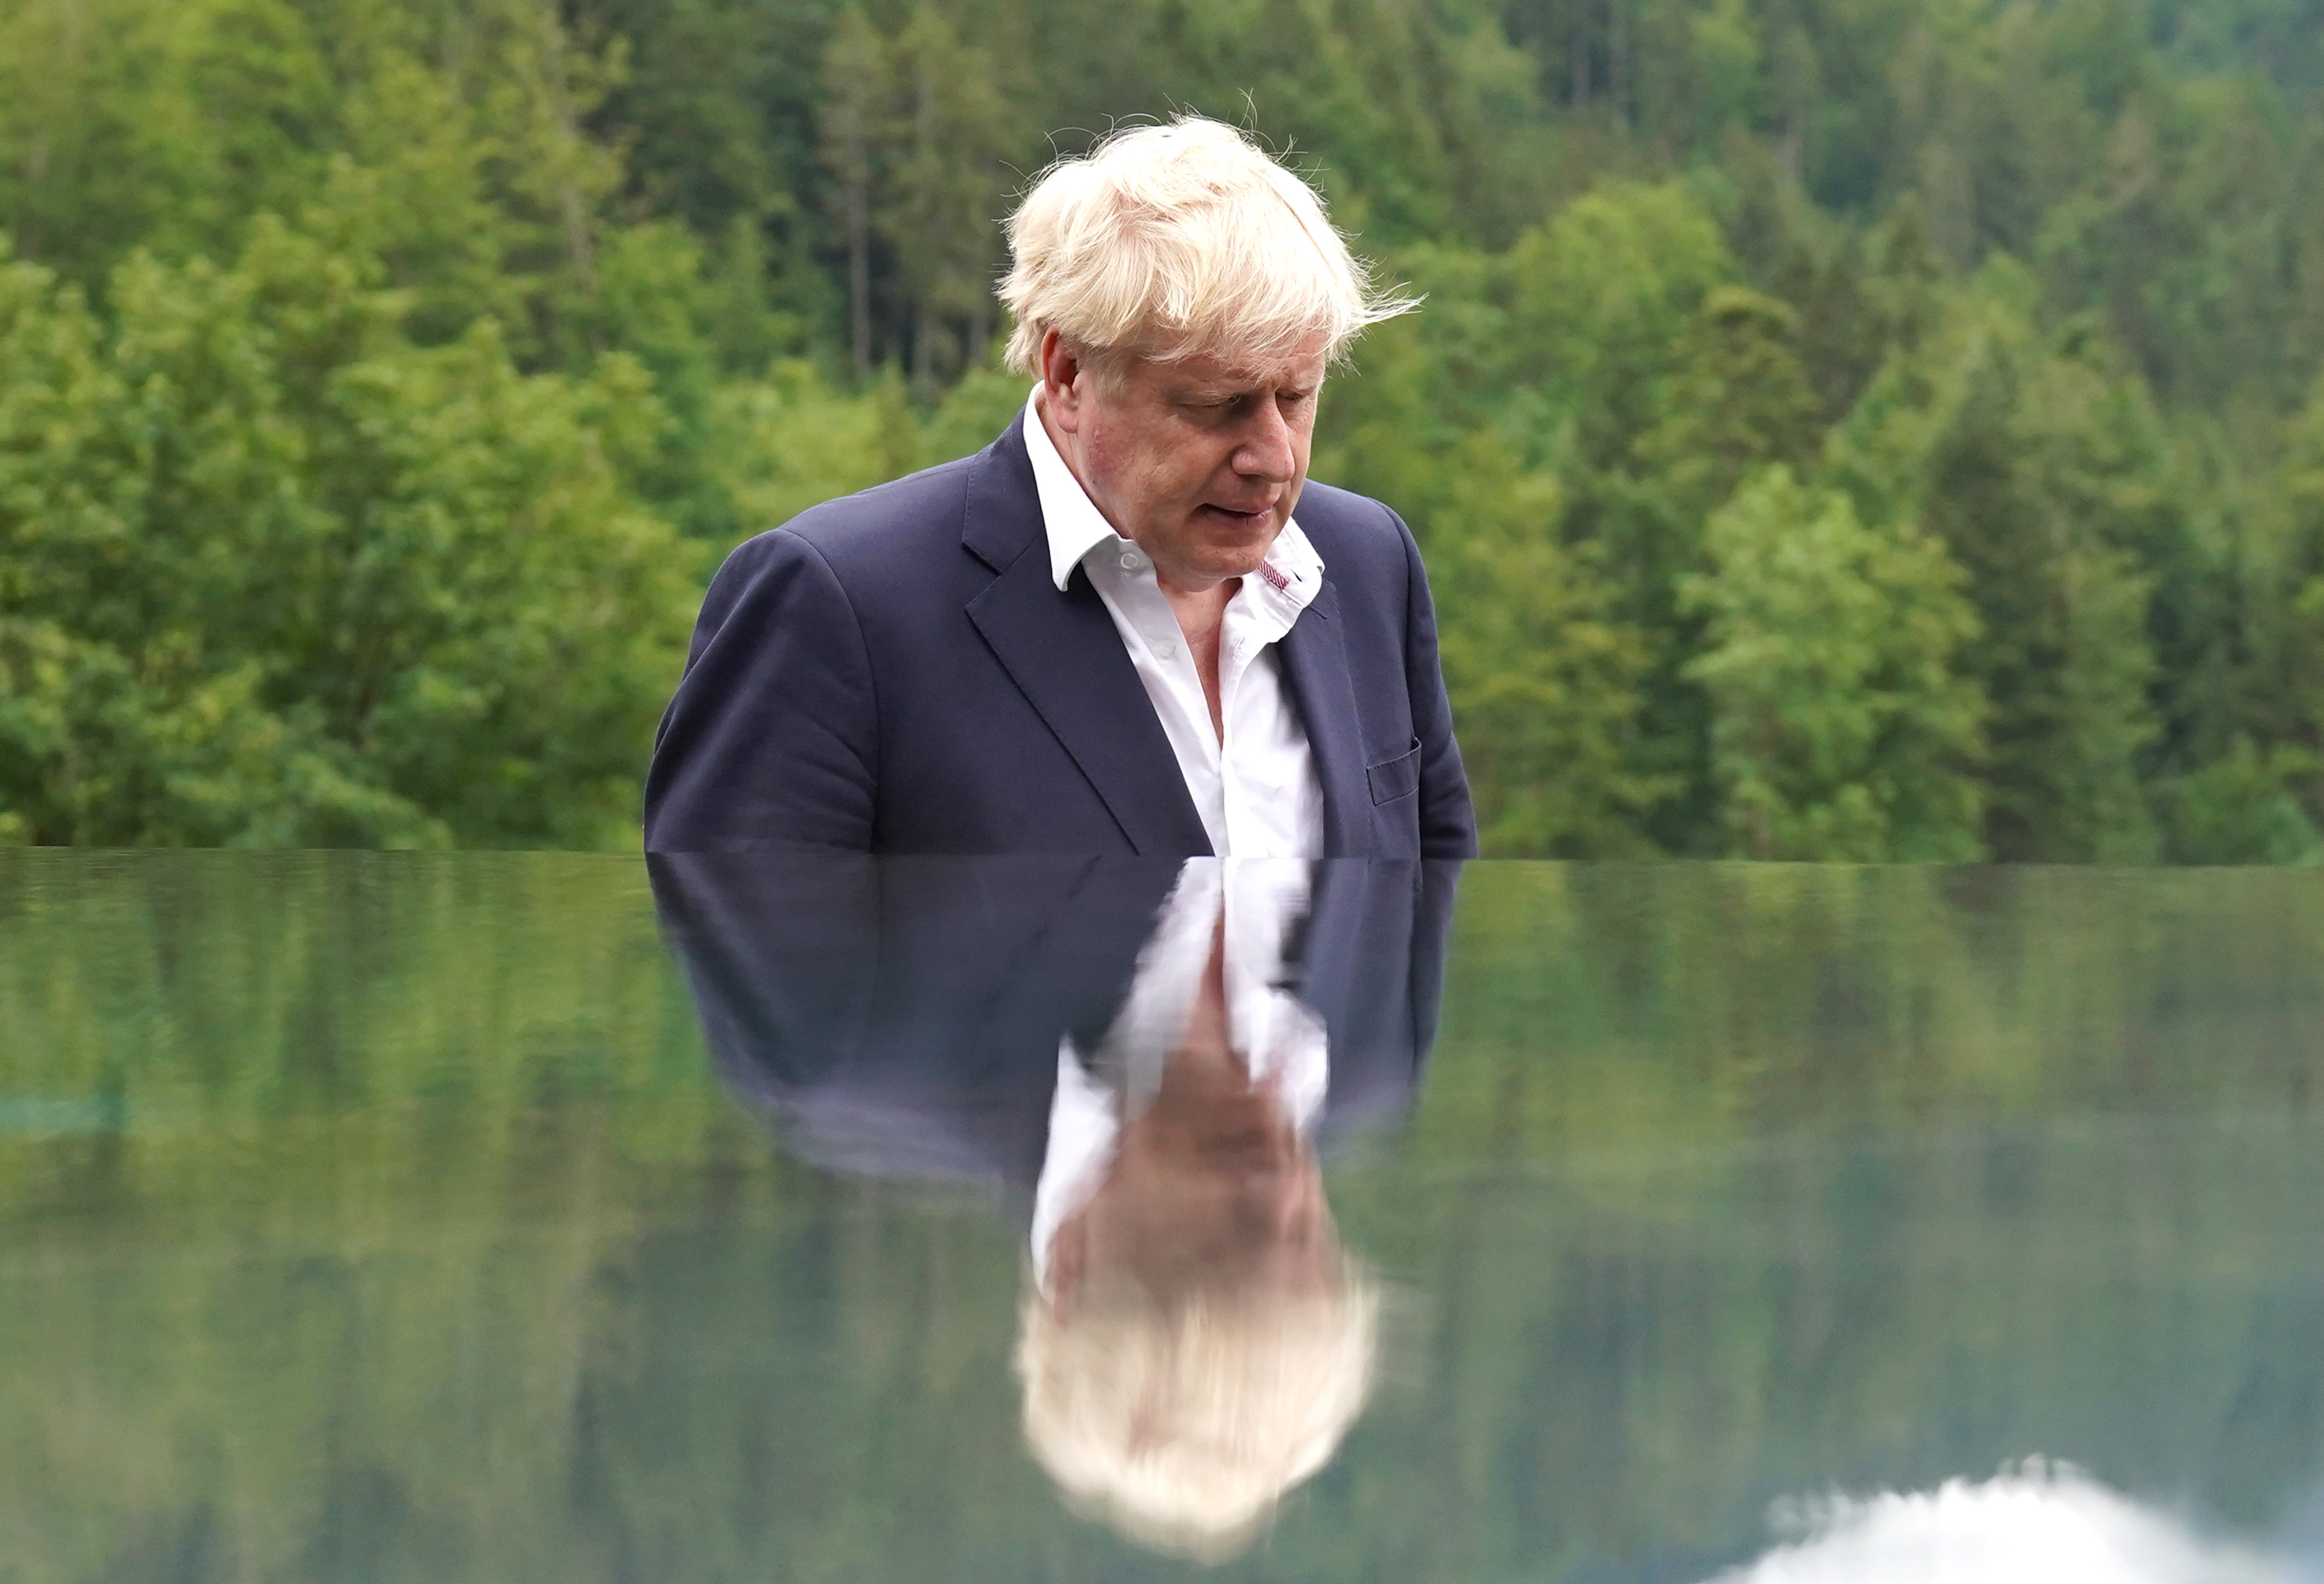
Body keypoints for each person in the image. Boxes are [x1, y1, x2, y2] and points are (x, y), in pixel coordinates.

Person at [644, 116, 1475, 858]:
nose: (1273, 457)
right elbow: (751, 994)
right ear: (1068, 370)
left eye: (1295, 397)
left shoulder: (1369, 564)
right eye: (1214, 405)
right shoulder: (834, 604)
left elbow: (1418, 938)